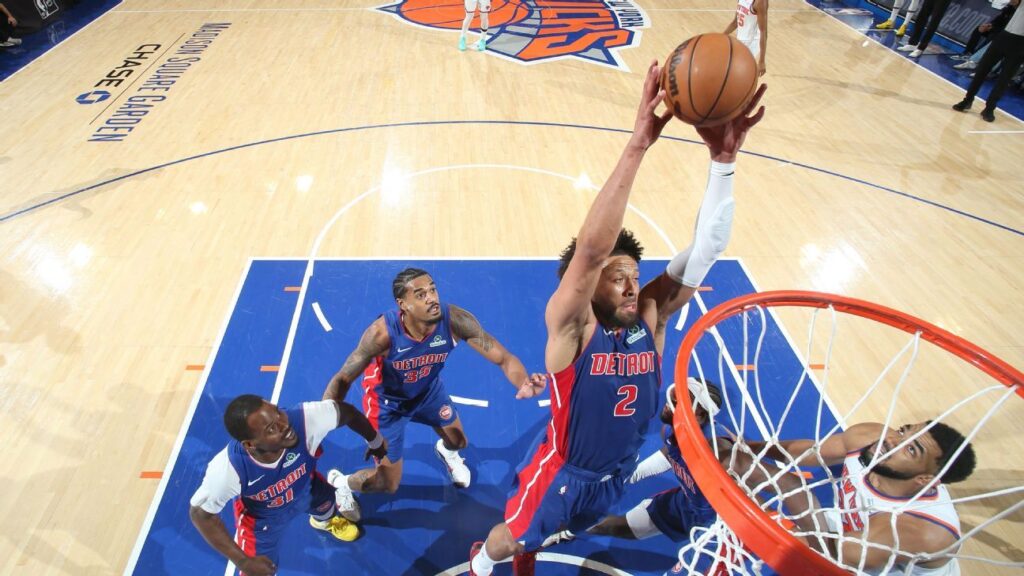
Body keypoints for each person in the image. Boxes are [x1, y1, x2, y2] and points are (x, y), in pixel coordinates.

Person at [467, 61, 767, 576]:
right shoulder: (573, 328)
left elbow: (708, 248)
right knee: (510, 539)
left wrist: (723, 162)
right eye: (615, 276)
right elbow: (590, 252)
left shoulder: (650, 316)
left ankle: (534, 543)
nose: (630, 284)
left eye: (633, 274)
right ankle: (480, 563)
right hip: (565, 472)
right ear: (587, 288)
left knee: (564, 530)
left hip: (616, 474)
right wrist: (638, 145)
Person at [322, 268, 546, 518]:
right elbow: (343, 378)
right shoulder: (381, 334)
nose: (431, 298)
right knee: (387, 483)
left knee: (458, 442)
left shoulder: (454, 321)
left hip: (428, 392)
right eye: (420, 295)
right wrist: (321, 417)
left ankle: (446, 452)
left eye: (432, 290)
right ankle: (342, 483)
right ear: (403, 305)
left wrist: (523, 382)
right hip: (388, 405)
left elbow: (503, 357)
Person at [741, 420, 977, 574]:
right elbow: (812, 452)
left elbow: (824, 555)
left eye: (910, 449)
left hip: (869, 563)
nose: (890, 441)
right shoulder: (870, 438)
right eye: (902, 431)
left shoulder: (916, 529)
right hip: (849, 534)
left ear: (925, 479)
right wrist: (745, 448)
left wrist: (766, 498)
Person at [189, 395, 387, 576]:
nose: (284, 425)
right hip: (263, 520)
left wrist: (375, 441)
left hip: (307, 489)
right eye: (271, 429)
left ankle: (324, 523)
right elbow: (200, 514)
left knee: (327, 504)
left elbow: (347, 412)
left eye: (278, 412)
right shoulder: (228, 469)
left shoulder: (306, 419)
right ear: (250, 444)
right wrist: (243, 561)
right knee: (259, 571)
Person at [579, 379, 724, 544]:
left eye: (684, 399)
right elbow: (670, 455)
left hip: (718, 523)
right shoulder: (672, 430)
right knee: (615, 527)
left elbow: (748, 473)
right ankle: (567, 528)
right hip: (686, 503)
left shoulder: (718, 450)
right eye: (677, 394)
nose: (672, 399)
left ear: (699, 415)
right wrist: (629, 476)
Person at [952, 5, 1024, 121]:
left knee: (1004, 79)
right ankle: (967, 100)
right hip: (1004, 36)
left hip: (1021, 44)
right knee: (981, 70)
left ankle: (990, 108)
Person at [952, 0, 1019, 70]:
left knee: (994, 36)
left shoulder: (1019, 13)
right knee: (979, 29)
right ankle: (968, 53)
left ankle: (976, 61)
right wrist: (990, 25)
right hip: (999, 30)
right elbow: (999, 18)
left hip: (1007, 34)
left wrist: (994, 28)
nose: (1011, 1)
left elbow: (1010, 27)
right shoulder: (1009, 8)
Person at [724, 0, 769, 75]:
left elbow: (763, 32)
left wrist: (762, 61)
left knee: (735, 74)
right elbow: (735, 22)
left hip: (752, 43)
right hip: (740, 42)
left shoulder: (760, 2)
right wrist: (721, 36)